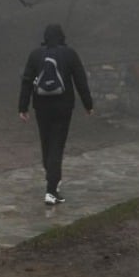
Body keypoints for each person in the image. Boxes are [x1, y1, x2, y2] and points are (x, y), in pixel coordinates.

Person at [18, 23, 94, 205]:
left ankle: (51, 178)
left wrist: (23, 107)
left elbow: (27, 81)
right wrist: (88, 104)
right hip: (63, 107)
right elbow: (80, 80)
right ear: (62, 36)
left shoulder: (36, 55)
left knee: (46, 142)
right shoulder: (70, 54)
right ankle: (52, 189)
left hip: (41, 107)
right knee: (57, 145)